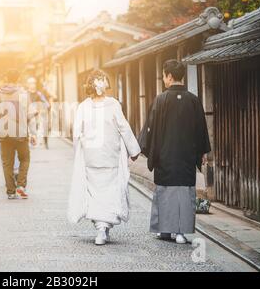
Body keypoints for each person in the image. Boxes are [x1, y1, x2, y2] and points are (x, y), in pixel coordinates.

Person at [138, 60, 211, 244]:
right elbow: (201, 130)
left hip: (165, 157)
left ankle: (164, 230)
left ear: (169, 76)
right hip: (186, 158)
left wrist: (146, 150)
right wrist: (202, 152)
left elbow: (150, 129)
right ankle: (181, 232)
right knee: (184, 193)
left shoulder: (160, 100)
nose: (163, 79)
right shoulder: (194, 100)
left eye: (164, 76)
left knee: (165, 192)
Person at [68, 70, 141, 246]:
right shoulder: (113, 104)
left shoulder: (83, 106)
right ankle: (103, 226)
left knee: (94, 192)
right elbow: (123, 127)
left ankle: (101, 227)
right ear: (105, 85)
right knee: (109, 191)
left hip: (91, 156)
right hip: (110, 155)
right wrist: (134, 150)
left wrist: (78, 152)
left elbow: (77, 132)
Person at [0, 69, 37, 200]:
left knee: (7, 163)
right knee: (25, 159)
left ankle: (10, 191)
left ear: (6, 79)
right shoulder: (23, 94)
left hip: (4, 133)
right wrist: (33, 134)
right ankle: (21, 185)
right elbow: (30, 115)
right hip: (21, 133)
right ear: (17, 79)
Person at [27, 77, 51, 149]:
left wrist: (46, 107)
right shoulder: (25, 94)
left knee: (41, 128)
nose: (32, 85)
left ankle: (44, 142)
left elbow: (46, 103)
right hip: (28, 116)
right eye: (30, 83)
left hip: (37, 115)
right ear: (27, 84)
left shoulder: (39, 94)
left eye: (34, 83)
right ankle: (31, 143)